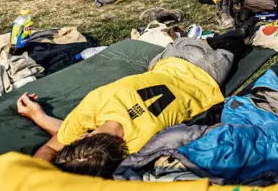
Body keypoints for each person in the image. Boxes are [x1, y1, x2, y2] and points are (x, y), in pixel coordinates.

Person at [16, 36, 239, 176]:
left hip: (208, 76)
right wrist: (39, 117)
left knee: (234, 45)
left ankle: (222, 39)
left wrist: (39, 117)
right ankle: (209, 38)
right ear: (84, 136)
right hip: (173, 58)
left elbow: (55, 143)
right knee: (219, 41)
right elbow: (54, 146)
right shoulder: (95, 104)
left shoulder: (139, 147)